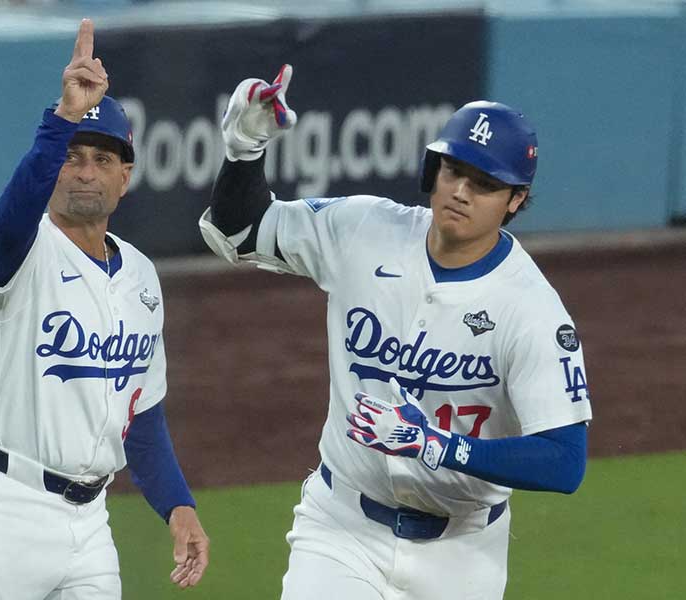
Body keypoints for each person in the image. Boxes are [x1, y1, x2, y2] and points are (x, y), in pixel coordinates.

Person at [199, 64, 592, 599]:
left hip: (463, 556)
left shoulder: (531, 309)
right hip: (340, 530)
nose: (460, 192)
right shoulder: (365, 229)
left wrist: (437, 445)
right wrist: (245, 150)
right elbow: (240, 231)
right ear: (434, 170)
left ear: (515, 200)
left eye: (484, 184)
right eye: (454, 171)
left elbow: (565, 461)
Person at [0, 19, 209, 600]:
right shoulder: (19, 246)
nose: (85, 171)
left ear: (126, 177)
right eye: (74, 156)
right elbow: (16, 209)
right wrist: (62, 119)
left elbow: (142, 416)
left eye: (103, 160)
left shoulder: (141, 276)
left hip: (89, 524)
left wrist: (178, 506)